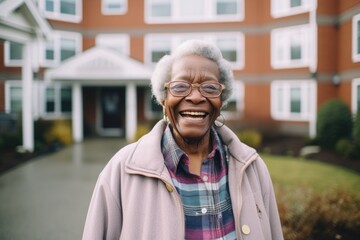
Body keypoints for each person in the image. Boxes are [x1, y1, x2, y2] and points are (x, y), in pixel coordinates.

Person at [82, 39, 284, 240]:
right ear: (163, 99)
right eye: (180, 87)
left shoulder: (253, 169)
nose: (196, 97)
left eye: (210, 88)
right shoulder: (121, 171)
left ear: (221, 101)